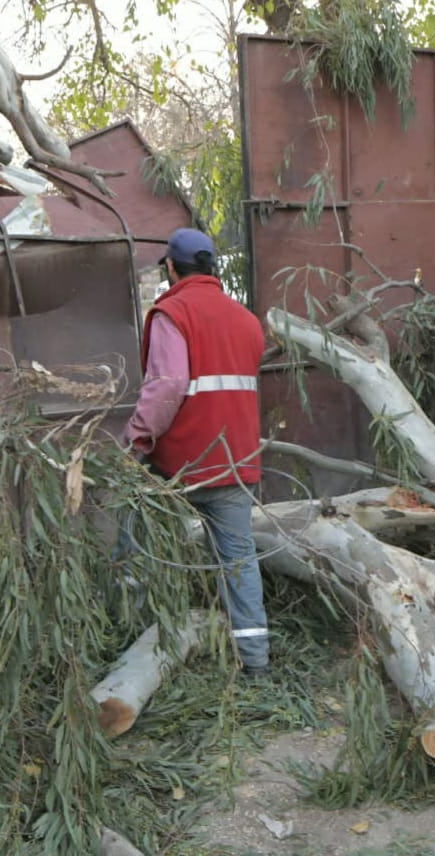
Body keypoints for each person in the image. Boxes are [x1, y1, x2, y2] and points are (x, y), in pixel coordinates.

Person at [122, 228, 271, 675]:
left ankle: (135, 640)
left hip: (181, 465)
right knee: (240, 564)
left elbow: (167, 385)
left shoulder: (172, 313)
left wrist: (136, 440)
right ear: (213, 267)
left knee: (137, 544)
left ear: (171, 267)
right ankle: (256, 664)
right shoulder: (247, 320)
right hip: (235, 462)